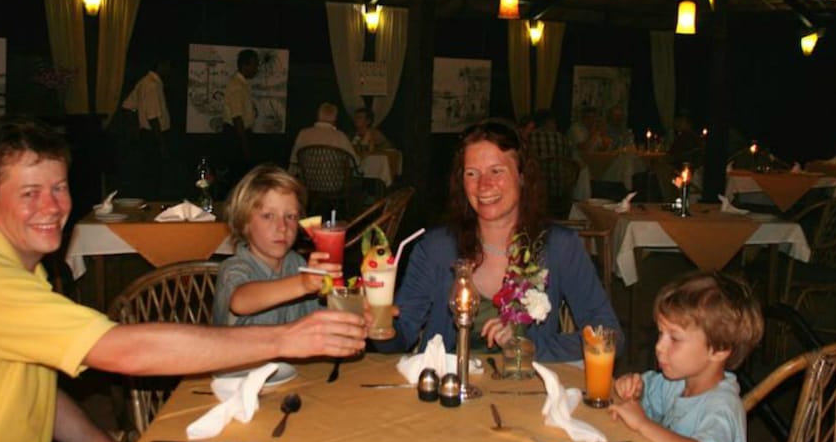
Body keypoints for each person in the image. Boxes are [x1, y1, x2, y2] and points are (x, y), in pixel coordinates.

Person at [0, 116, 367, 442]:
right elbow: (126, 351)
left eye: (59, 187)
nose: (52, 207)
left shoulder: (20, 273)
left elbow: (38, 398)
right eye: (29, 193)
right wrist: (286, 338)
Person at [373, 119, 621, 361]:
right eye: (472, 173)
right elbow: (401, 335)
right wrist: (379, 326)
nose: (484, 184)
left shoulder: (559, 246)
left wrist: (528, 346)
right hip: (448, 386)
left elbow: (611, 336)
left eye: (496, 171)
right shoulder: (436, 248)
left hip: (524, 386)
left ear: (522, 176)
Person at [609, 272, 763, 442]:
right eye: (661, 333)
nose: (659, 346)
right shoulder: (676, 381)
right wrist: (634, 388)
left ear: (719, 349)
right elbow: (644, 394)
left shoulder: (723, 407)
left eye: (674, 338)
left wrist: (643, 424)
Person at [212, 165, 342, 326]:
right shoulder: (234, 269)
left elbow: (321, 317)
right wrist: (303, 283)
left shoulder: (298, 264)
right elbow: (240, 301)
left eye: (290, 216)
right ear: (244, 222)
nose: (282, 227)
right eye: (268, 216)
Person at [118, 59, 171, 197]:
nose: (169, 69)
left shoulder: (144, 81)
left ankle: (148, 201)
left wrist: (135, 127)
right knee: (153, 176)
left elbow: (128, 106)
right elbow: (152, 117)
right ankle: (151, 203)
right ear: (160, 65)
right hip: (153, 135)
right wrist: (161, 142)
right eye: (167, 65)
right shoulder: (151, 85)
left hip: (146, 134)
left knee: (148, 174)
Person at [288, 102, 359, 174]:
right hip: (335, 179)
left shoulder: (303, 134)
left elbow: (294, 160)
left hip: (307, 179)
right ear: (335, 118)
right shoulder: (341, 136)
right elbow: (355, 162)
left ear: (318, 116)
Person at [222, 49, 259, 177]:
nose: (256, 69)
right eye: (254, 65)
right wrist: (245, 145)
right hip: (236, 136)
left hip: (239, 135)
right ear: (244, 65)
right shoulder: (237, 86)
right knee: (238, 174)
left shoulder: (242, 84)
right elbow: (237, 117)